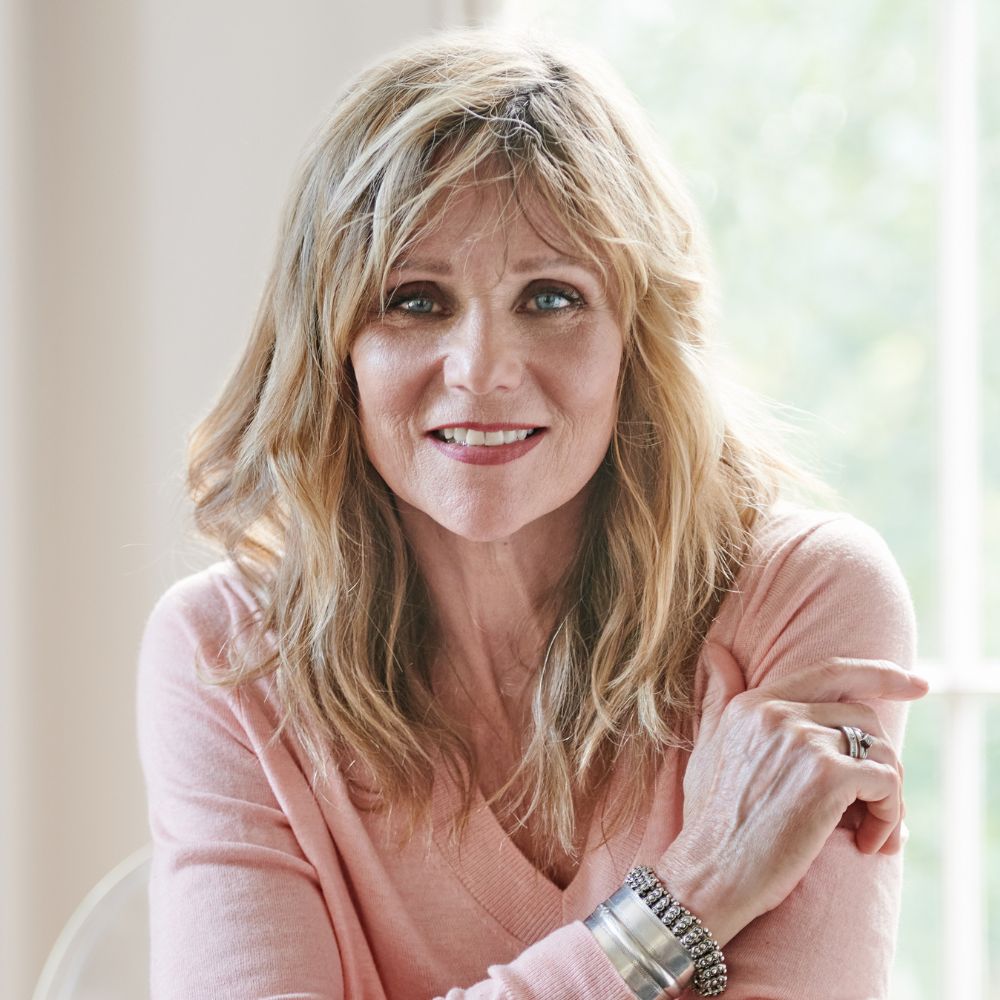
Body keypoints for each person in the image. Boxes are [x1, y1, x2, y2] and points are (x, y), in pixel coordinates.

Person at [137, 28, 927, 1000]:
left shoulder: (803, 599)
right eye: (415, 300)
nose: (481, 369)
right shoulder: (224, 654)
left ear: (637, 338)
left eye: (550, 297)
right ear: (331, 347)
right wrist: (695, 889)